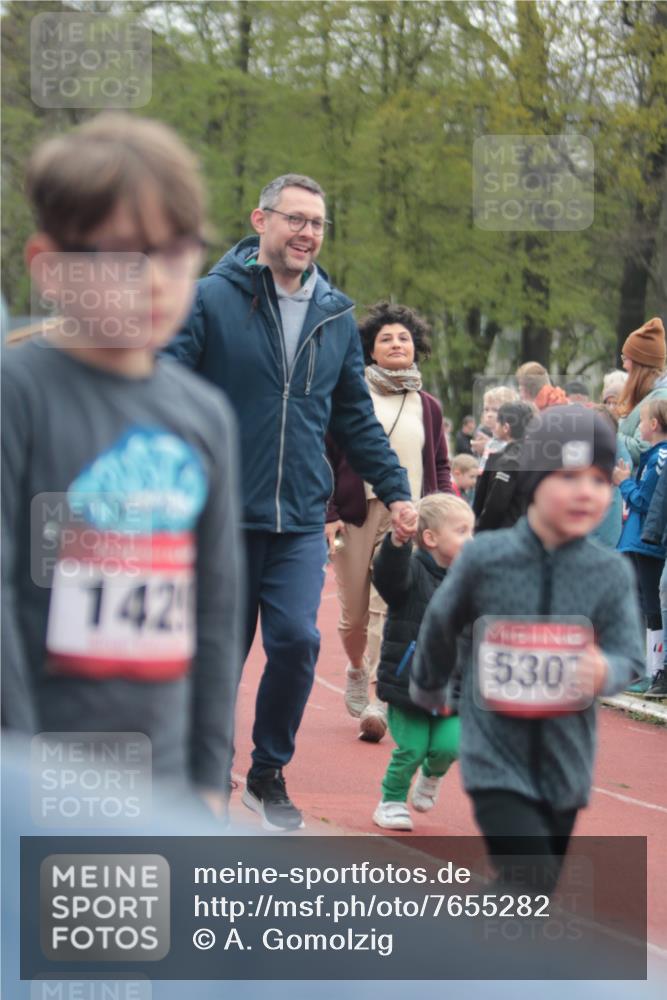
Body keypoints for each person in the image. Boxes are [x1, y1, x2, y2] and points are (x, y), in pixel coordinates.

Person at [1, 113, 243, 818]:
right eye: (121, 254)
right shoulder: (18, 397)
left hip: (160, 778)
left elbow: (217, 611)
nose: (153, 281)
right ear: (47, 265)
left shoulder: (205, 416)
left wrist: (205, 776)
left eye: (175, 254)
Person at [165, 174, 415, 830]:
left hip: (300, 518)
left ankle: (268, 770)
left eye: (317, 223)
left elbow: (355, 419)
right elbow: (165, 387)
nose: (307, 233)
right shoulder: (209, 301)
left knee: (297, 641)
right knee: (217, 650)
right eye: (294, 219)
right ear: (261, 220)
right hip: (217, 514)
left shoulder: (334, 314)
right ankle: (207, 762)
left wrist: (397, 491)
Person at [410, 404, 644, 891]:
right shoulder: (485, 558)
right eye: (569, 476)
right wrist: (431, 685)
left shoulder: (610, 573)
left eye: (600, 480)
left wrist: (607, 669)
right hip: (494, 752)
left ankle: (483, 954)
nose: (586, 491)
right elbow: (440, 622)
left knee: (535, 889)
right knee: (529, 875)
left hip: (566, 761)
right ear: (535, 479)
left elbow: (630, 654)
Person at [325, 301, 452, 743]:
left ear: (416, 347)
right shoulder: (351, 395)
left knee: (389, 605)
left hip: (407, 516)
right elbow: (326, 457)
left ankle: (378, 701)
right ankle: (357, 668)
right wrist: (330, 513)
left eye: (404, 338)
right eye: (386, 338)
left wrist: (446, 514)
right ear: (370, 349)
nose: (397, 344)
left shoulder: (429, 406)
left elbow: (439, 464)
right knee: (353, 617)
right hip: (355, 513)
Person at [370, 494, 474, 830]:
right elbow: (388, 577)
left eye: (472, 532)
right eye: (462, 532)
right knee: (412, 749)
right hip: (408, 685)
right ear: (430, 539)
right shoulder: (411, 572)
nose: (471, 540)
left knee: (450, 746)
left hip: (453, 687)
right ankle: (391, 800)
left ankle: (432, 776)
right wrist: (397, 544)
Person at [614, 398, 667, 693]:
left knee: (652, 606)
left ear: (654, 425)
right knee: (643, 604)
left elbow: (646, 502)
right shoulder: (653, 456)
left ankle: (654, 670)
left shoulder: (661, 458)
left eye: (643, 421)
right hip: (639, 540)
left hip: (649, 542)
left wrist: (623, 482)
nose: (640, 427)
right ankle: (647, 668)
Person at [472, 400, 534, 532]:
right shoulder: (536, 455)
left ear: (506, 427)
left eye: (497, 421)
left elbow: (495, 505)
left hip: (506, 533)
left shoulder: (509, 461)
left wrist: (479, 529)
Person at [617, 317, 667, 470]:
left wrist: (606, 431)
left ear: (641, 365)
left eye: (627, 359)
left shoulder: (660, 399)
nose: (624, 365)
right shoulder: (649, 396)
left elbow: (642, 449)